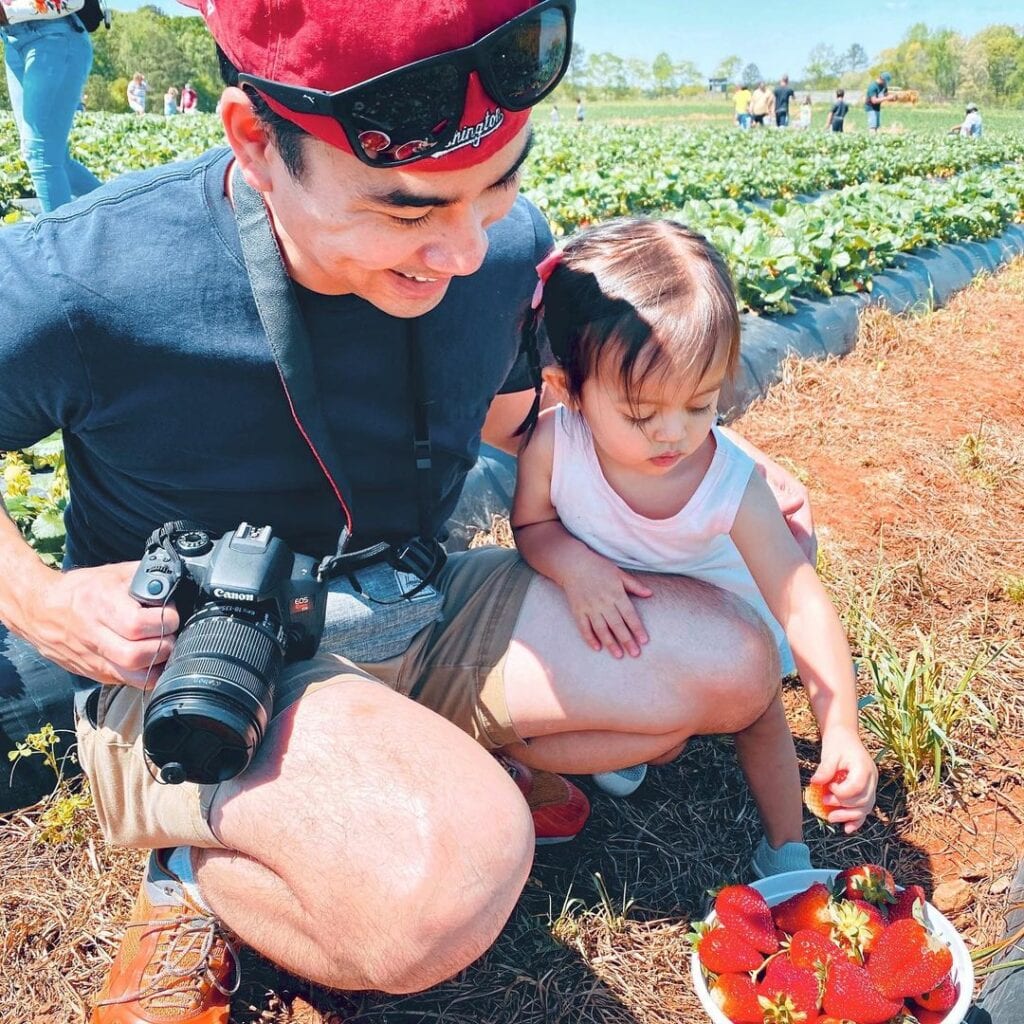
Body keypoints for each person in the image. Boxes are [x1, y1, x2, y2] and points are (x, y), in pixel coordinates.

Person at [0, 1, 821, 1019]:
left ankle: (393, 770)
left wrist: (720, 464)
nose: (466, 250)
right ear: (256, 142)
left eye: (498, 186)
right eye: (406, 211)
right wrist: (36, 597)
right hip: (204, 667)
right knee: (453, 885)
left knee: (732, 662)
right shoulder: (91, 274)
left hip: (420, 605)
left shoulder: (502, 251)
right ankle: (193, 866)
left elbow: (524, 424)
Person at [510, 216, 877, 860]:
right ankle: (645, 731)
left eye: (701, 404)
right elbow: (532, 527)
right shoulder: (552, 444)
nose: (673, 435)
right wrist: (573, 564)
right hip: (630, 607)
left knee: (759, 708)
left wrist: (839, 723)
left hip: (724, 622)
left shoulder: (730, 483)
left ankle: (786, 849)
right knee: (594, 700)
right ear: (568, 389)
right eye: (640, 414)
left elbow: (800, 601)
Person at [0, 0, 102, 212]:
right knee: (53, 158)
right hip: (13, 42)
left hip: (55, 36)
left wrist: (9, 11)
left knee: (40, 154)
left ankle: (60, 242)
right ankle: (122, 212)